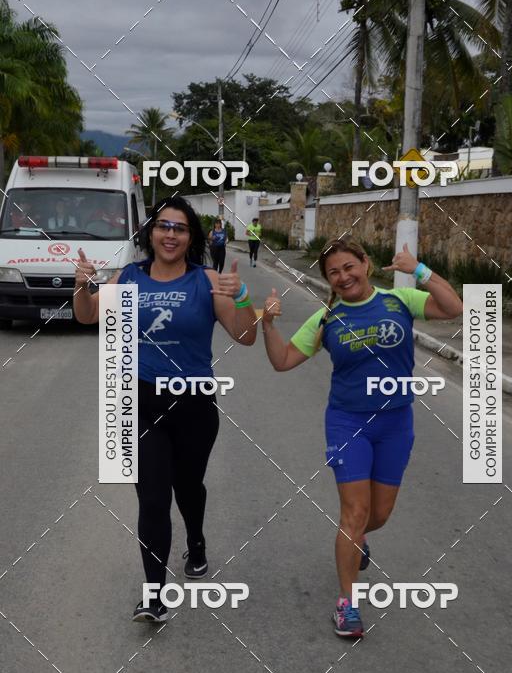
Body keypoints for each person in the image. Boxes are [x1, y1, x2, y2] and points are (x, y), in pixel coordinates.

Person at [262, 237, 462, 638]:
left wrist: (418, 269)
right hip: (347, 423)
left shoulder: (399, 301)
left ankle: (358, 540)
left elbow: (454, 307)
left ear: (365, 264)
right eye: (333, 272)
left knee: (378, 515)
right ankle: (347, 604)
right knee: (353, 514)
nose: (343, 276)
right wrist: (267, 324)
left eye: (349, 267)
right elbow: (282, 361)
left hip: (395, 423)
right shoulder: (326, 319)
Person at [73, 196, 257, 623]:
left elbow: (246, 335)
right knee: (153, 498)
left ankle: (196, 541)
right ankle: (154, 595)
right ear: (150, 233)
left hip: (194, 404)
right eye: (163, 226)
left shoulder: (206, 280)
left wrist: (242, 296)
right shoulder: (129, 277)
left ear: (191, 237)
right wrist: (82, 286)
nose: (170, 235)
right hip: (138, 403)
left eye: (180, 228)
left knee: (188, 487)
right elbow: (88, 316)